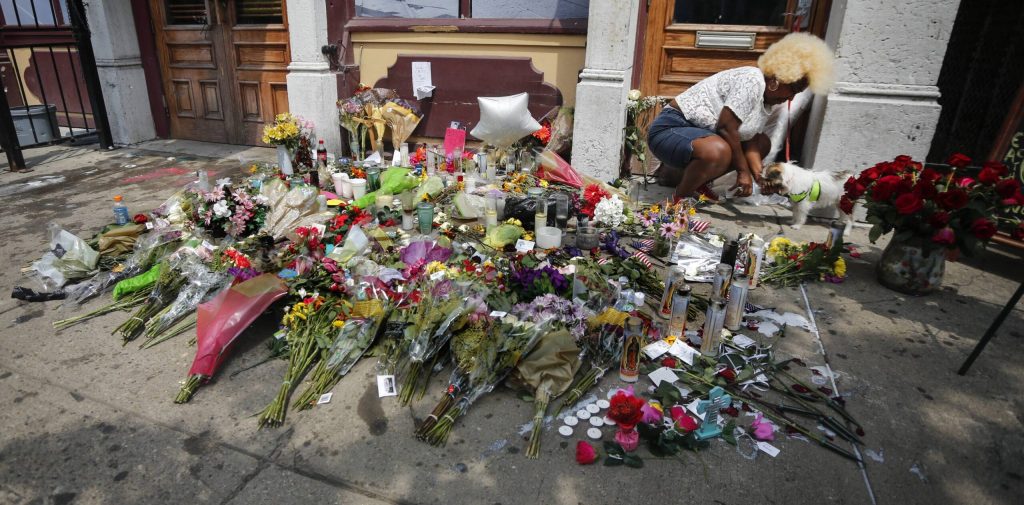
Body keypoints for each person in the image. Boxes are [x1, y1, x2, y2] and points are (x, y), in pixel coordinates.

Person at [648, 32, 835, 201]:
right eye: (793, 90)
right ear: (778, 79)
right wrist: (742, 171)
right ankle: (680, 198)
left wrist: (759, 178)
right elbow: (726, 128)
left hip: (699, 137)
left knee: (762, 142)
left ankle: (698, 182)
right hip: (670, 129)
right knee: (719, 150)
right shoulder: (752, 79)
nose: (791, 98)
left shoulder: (766, 100)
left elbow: (750, 142)